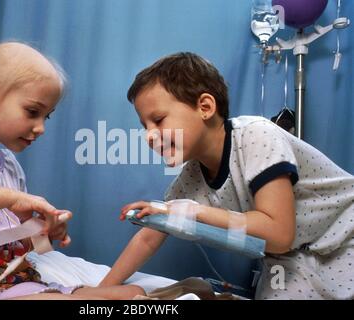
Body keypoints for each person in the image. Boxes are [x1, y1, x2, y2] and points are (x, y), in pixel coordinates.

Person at [99, 52, 354, 300]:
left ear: (205, 107)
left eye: (158, 120)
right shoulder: (190, 178)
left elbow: (278, 234)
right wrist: (101, 291)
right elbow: (149, 236)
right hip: (291, 258)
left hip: (345, 235)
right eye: (145, 127)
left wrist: (194, 211)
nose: (149, 136)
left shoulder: (257, 135)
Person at [0, 42, 144, 300]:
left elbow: (18, 249)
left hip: (15, 281)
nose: (40, 127)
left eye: (46, 117)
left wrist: (44, 232)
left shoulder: (9, 166)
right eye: (32, 112)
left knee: (133, 293)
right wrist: (12, 198)